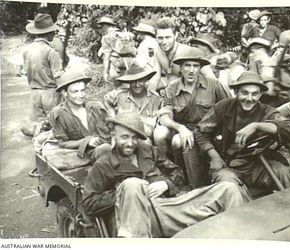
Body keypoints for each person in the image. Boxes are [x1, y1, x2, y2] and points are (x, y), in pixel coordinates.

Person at [81, 112, 249, 238]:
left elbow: (177, 172)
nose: (130, 143)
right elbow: (88, 202)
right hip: (136, 219)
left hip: (168, 209)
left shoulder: (148, 151)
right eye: (124, 137)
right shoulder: (104, 165)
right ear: (113, 136)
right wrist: (122, 193)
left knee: (228, 189)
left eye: (134, 138)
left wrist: (166, 184)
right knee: (132, 184)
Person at [194, 71, 290, 194]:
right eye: (244, 93)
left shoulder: (267, 112)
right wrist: (214, 156)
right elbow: (200, 132)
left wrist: (257, 126)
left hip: (256, 166)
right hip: (227, 166)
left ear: (260, 94)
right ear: (236, 92)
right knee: (228, 185)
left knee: (282, 172)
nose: (249, 99)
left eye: (254, 94)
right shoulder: (223, 107)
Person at [156, 47, 229, 187]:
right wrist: (181, 128)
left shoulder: (213, 85)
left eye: (195, 66)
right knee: (178, 140)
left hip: (208, 131)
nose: (191, 70)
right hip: (186, 131)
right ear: (181, 68)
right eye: (187, 65)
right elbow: (164, 116)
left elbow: (228, 109)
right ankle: (180, 175)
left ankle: (199, 181)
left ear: (200, 68)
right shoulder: (172, 87)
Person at [49, 69, 112, 162]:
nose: (81, 95)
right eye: (75, 92)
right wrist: (87, 142)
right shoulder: (59, 114)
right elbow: (63, 143)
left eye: (82, 90)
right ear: (65, 93)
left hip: (107, 147)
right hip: (83, 154)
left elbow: (111, 128)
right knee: (105, 149)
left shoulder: (95, 107)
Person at [148, 17, 220, 93]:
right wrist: (149, 94)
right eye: (160, 38)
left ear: (175, 35)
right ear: (155, 37)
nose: (164, 42)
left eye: (168, 37)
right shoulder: (158, 51)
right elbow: (155, 77)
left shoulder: (187, 52)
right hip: (173, 94)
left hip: (194, 95)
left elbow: (211, 78)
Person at [22, 13, 64, 137]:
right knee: (54, 125)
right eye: (53, 32)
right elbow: (58, 76)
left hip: (34, 92)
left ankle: (37, 146)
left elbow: (26, 71)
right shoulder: (51, 52)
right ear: (50, 33)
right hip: (50, 92)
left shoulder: (27, 50)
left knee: (38, 124)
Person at [104, 63, 162, 144]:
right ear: (129, 82)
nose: (137, 85)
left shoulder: (155, 98)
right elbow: (106, 100)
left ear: (145, 80)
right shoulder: (120, 95)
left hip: (146, 136)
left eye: (140, 81)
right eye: (133, 82)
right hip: (125, 135)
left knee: (146, 143)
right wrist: (113, 116)